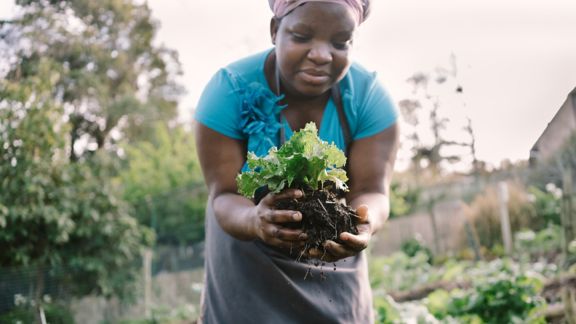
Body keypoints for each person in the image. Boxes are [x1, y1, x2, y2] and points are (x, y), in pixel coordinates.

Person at [194, 0, 399, 323]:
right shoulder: (229, 90)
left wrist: (366, 220)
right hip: (247, 273)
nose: (321, 55)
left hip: (331, 262)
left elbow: (373, 190)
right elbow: (224, 195)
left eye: (340, 42)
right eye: (302, 36)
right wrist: (254, 220)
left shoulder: (368, 98)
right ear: (275, 30)